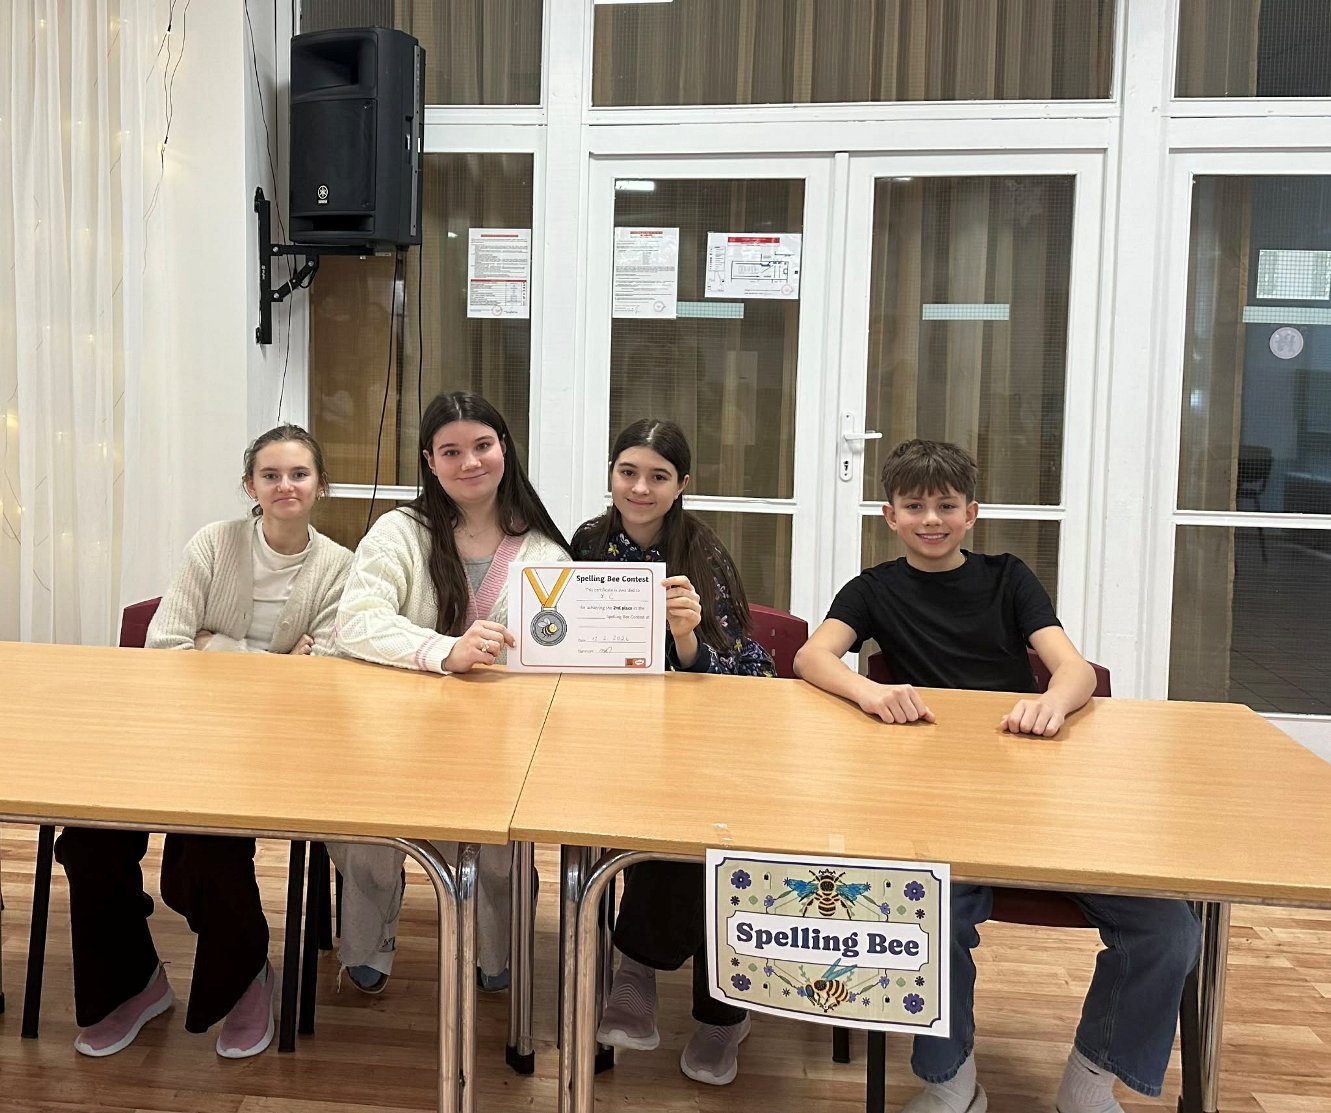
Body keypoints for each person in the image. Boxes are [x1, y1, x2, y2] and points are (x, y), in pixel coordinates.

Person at [793, 439, 1201, 1113]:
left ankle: (1090, 1078)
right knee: (927, 919)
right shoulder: (873, 588)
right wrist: (870, 692)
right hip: (932, 798)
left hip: (1029, 792)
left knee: (1170, 928)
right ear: (889, 516)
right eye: (914, 506)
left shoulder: (1008, 576)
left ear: (971, 512)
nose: (931, 519)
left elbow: (1073, 669)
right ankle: (950, 1081)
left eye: (946, 505)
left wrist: (1052, 702)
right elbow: (813, 656)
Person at [55, 424, 352, 1060]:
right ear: (250, 485)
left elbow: (320, 678)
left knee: (208, 854)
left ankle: (246, 979)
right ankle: (132, 984)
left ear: (320, 485)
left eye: (299, 474)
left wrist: (214, 645)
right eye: (270, 475)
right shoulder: (213, 544)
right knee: (87, 840)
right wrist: (272, 661)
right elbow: (164, 644)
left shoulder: (339, 568)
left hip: (273, 743)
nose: (285, 485)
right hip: (178, 728)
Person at [331, 390, 569, 993]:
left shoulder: (544, 551)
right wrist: (444, 650)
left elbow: (555, 651)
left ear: (504, 449)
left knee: (499, 846)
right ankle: (369, 938)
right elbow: (355, 620)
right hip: (394, 737)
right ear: (429, 461)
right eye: (452, 451)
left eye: (482, 445)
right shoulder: (399, 533)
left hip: (498, 747)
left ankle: (497, 946)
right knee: (366, 836)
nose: (470, 462)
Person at [573, 418, 774, 1087]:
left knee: (700, 821)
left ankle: (716, 1007)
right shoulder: (587, 542)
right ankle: (639, 972)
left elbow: (744, 671)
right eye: (627, 471)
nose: (640, 487)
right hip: (612, 728)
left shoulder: (702, 551)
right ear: (611, 474)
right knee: (645, 805)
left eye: (658, 476)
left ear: (682, 484)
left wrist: (686, 637)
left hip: (703, 732)